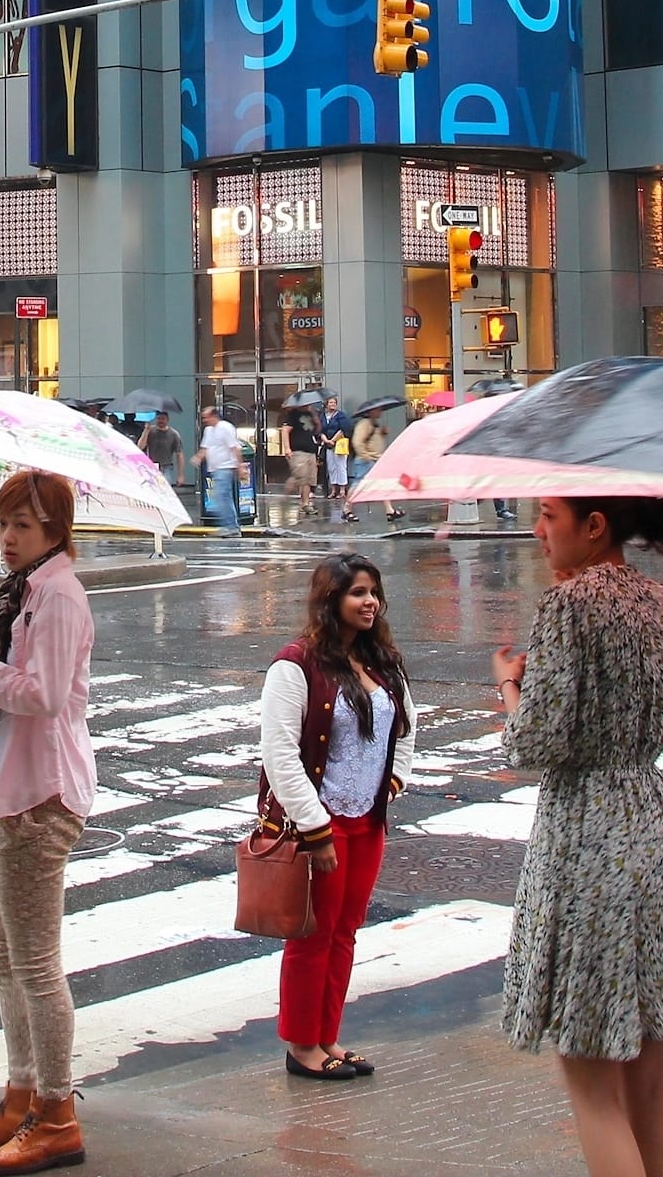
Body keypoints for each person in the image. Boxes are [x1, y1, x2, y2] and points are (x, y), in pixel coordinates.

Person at [492, 497, 663, 1177]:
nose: (538, 531)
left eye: (549, 516)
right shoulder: (657, 598)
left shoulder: (568, 605)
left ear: (594, 526)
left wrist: (510, 687)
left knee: (590, 1080)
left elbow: (535, 740)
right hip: (653, 820)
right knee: (647, 1071)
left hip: (589, 835)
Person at [0, 471, 98, 1174]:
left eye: (24, 527)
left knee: (33, 962)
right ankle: (21, 1093)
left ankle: (56, 1113)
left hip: (43, 792)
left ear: (56, 531)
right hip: (17, 786)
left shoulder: (59, 595)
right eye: (4, 523)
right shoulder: (24, 591)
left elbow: (43, 695)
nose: (8, 538)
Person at [261, 550, 413, 1079]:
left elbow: (406, 729)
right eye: (357, 592)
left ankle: (327, 1036)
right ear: (331, 599)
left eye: (373, 591)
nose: (369, 602)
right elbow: (279, 753)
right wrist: (315, 828)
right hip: (318, 826)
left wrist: (391, 783)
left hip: (367, 821)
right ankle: (301, 1044)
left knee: (345, 930)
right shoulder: (295, 664)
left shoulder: (382, 660)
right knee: (313, 935)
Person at [195, 406, 248, 538]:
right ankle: (228, 526)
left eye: (206, 417)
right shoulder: (209, 430)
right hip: (215, 468)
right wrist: (198, 458)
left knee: (223, 497)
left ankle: (231, 527)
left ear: (214, 416)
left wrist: (240, 466)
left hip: (225, 467)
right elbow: (206, 447)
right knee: (221, 498)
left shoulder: (225, 427)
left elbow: (234, 447)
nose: (204, 420)